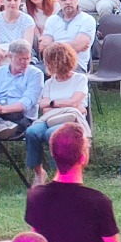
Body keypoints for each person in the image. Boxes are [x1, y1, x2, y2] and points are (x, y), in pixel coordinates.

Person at [24, 42, 88, 182]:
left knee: (52, 133)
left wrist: (53, 103)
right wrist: (65, 104)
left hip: (71, 120)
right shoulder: (49, 83)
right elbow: (44, 107)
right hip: (49, 118)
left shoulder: (80, 79)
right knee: (32, 132)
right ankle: (39, 172)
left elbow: (75, 102)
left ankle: (60, 175)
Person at [41, 0, 96, 70]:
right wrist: (70, 45)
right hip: (52, 64)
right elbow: (44, 47)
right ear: (59, 2)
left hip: (75, 65)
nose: (68, 2)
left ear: (77, 0)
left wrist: (52, 45)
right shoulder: (51, 20)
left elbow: (78, 46)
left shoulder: (88, 19)